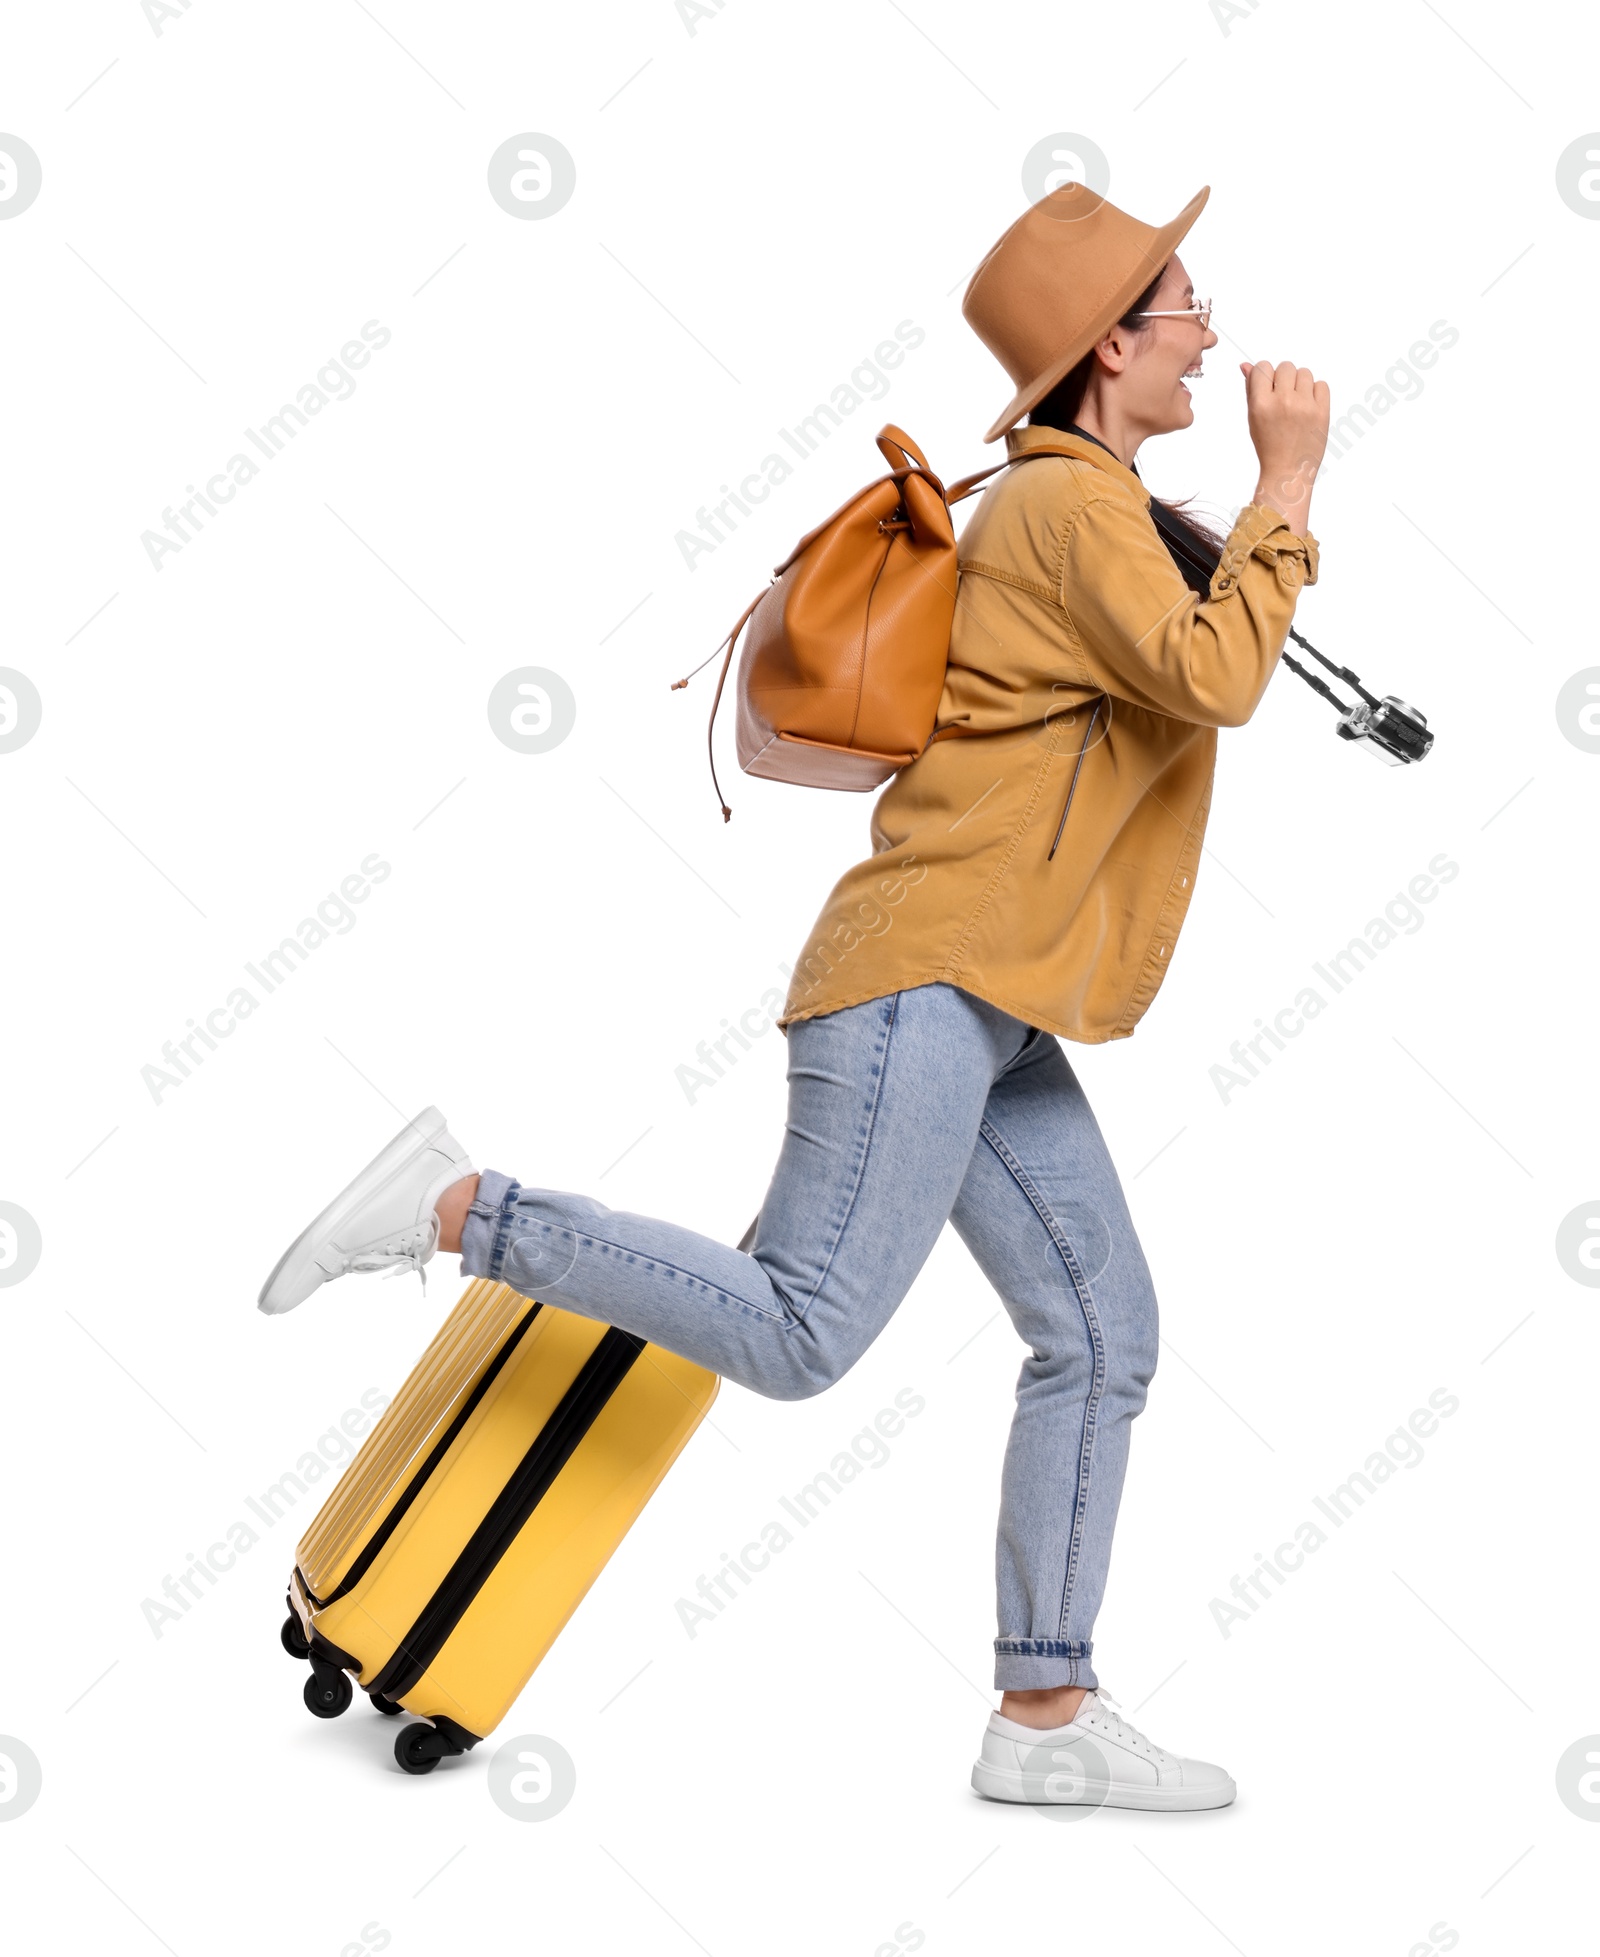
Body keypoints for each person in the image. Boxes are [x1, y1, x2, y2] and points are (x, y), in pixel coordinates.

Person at [258, 180, 1329, 1812]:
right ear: (1113, 344)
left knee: (1104, 1330)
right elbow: (1214, 677)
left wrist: (1250, 521)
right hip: (924, 978)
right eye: (1188, 309)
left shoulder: (1095, 502)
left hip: (991, 997)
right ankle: (458, 1202)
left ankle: (1042, 1715)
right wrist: (1293, 483)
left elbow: (1186, 671)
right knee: (803, 1327)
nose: (1210, 336)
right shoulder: (1065, 506)